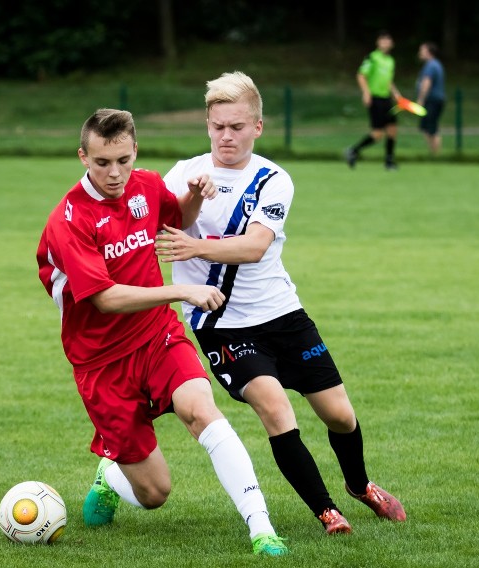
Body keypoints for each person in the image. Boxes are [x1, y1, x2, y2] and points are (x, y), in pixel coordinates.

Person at [156, 71, 407, 536]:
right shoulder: (183, 171)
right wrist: (192, 194)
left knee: (339, 415)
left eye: (236, 127)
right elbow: (170, 222)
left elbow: (253, 247)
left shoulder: (273, 179)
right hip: (221, 323)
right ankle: (328, 512)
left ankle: (360, 485)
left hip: (282, 313)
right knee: (275, 408)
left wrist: (195, 248)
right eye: (218, 127)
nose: (226, 136)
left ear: (257, 127)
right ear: (207, 125)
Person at [36, 108, 288, 556]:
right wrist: (182, 291)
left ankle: (261, 529)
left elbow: (182, 220)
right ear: (82, 157)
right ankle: (112, 476)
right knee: (155, 493)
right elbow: (104, 298)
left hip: (157, 337)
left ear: (135, 150)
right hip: (101, 363)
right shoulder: (68, 220)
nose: (115, 173)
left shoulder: (148, 185)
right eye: (101, 163)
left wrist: (195, 195)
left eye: (123, 160)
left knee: (202, 410)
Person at [346, 30, 403, 170]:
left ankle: (389, 161)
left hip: (386, 99)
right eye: (382, 40)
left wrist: (396, 94)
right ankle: (353, 151)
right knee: (377, 134)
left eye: (387, 40)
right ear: (378, 42)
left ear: (392, 43)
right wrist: (366, 93)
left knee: (392, 129)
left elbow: (388, 81)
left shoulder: (390, 61)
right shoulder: (372, 57)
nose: (385, 43)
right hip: (375, 99)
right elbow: (361, 75)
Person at [415, 41, 446, 155]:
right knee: (427, 127)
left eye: (422, 50)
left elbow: (427, 82)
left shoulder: (431, 65)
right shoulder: (434, 64)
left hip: (432, 100)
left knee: (431, 128)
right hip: (434, 100)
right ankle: (433, 153)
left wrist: (421, 99)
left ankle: (435, 154)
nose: (420, 53)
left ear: (429, 52)